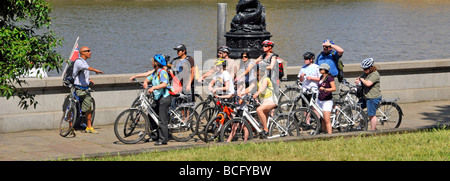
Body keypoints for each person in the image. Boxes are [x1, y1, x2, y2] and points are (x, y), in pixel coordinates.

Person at [143, 54, 173, 146]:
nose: (151, 63)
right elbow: (148, 78)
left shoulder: (162, 72)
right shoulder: (155, 72)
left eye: (152, 62)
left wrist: (154, 87)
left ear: (156, 63)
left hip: (164, 97)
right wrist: (145, 82)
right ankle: (155, 135)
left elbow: (164, 84)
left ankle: (163, 139)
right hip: (158, 97)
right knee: (151, 115)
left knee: (162, 119)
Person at [72, 46, 103, 134]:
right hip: (78, 89)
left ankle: (89, 127)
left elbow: (82, 73)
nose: (90, 52)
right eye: (88, 51)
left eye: (90, 50)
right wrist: (95, 70)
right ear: (83, 53)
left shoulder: (84, 62)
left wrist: (88, 80)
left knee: (89, 108)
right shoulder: (79, 61)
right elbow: (85, 67)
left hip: (85, 88)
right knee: (74, 107)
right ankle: (71, 127)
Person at [355, 58, 381, 131]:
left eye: (365, 69)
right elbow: (359, 78)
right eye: (363, 69)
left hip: (373, 97)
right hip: (365, 96)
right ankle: (362, 124)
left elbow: (368, 83)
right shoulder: (366, 73)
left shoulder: (375, 74)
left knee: (371, 115)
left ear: (371, 67)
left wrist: (361, 79)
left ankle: (372, 132)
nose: (364, 70)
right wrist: (358, 80)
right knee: (358, 108)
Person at [252, 63, 277, 136]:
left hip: (271, 100)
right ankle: (266, 132)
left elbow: (263, 87)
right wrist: (241, 93)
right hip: (264, 102)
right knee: (263, 118)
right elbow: (249, 88)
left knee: (259, 110)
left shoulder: (266, 79)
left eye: (255, 71)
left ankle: (266, 130)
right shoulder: (257, 80)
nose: (253, 72)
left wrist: (257, 93)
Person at [317, 63, 336, 134]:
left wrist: (325, 89)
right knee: (322, 118)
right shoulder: (321, 77)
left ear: (325, 70)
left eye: (321, 69)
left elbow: (334, 88)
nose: (319, 70)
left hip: (327, 101)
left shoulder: (330, 77)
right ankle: (323, 131)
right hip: (320, 99)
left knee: (327, 119)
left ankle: (330, 134)